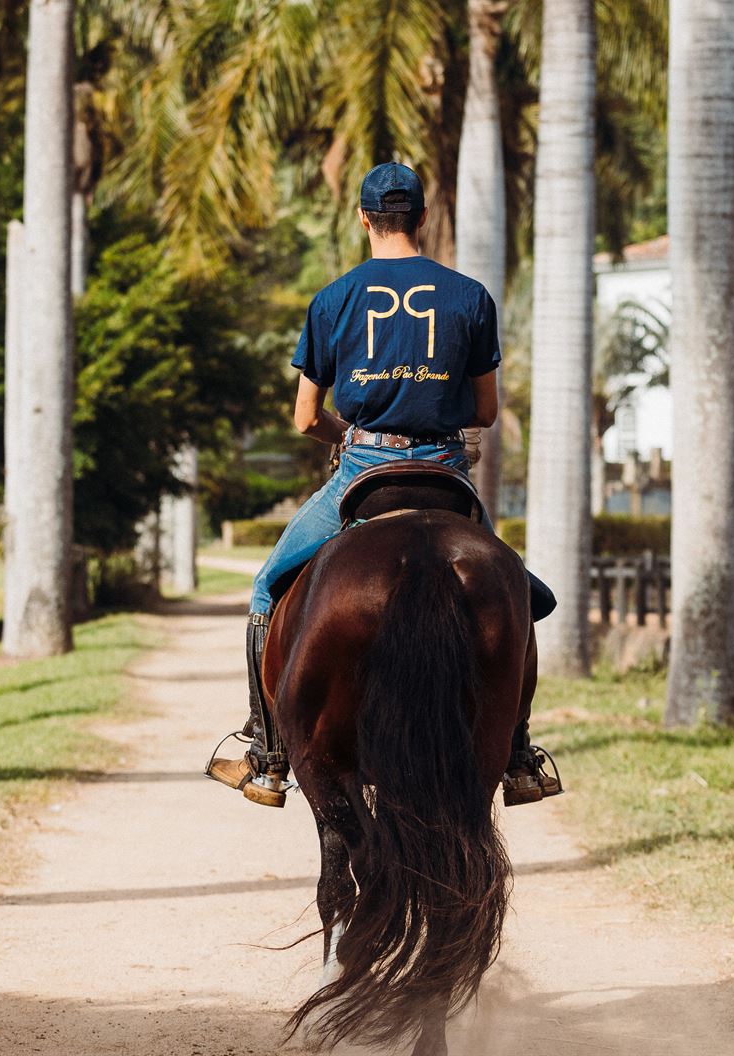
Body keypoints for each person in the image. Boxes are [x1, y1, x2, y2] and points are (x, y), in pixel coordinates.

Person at [206, 162, 559, 808]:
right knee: (520, 592)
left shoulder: (334, 299)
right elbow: (484, 411)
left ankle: (267, 751)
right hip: (446, 475)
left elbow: (305, 417)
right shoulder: (469, 298)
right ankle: (517, 755)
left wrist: (347, 431)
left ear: (364, 219)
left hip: (363, 469)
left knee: (266, 586)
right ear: (422, 218)